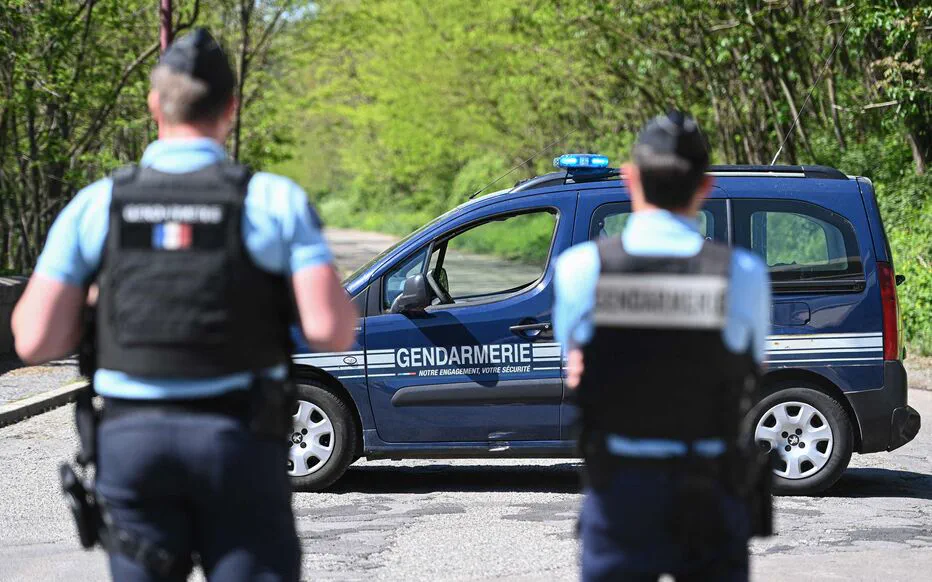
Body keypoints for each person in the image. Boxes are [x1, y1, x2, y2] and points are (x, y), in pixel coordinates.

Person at [11, 28, 357, 582]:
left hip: (133, 445)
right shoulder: (272, 201)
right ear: (230, 107)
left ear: (154, 104)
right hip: (239, 442)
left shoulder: (98, 205)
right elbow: (332, 330)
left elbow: (34, 340)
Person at [553, 111, 772, 581]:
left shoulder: (580, 269)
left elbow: (575, 368)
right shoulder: (744, 273)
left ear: (630, 179)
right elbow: (753, 365)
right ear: (706, 186)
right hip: (712, 489)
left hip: (621, 493)